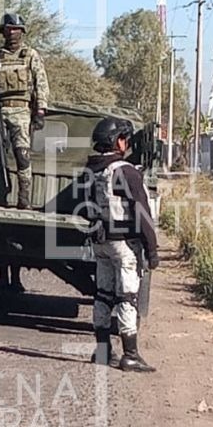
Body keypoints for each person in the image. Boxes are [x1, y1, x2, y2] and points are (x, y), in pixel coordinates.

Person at [84, 117, 159, 372]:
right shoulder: (125, 171)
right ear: (118, 141)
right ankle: (130, 354)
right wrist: (152, 249)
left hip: (100, 242)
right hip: (123, 244)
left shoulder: (92, 170)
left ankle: (103, 350)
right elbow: (142, 212)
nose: (127, 143)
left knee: (103, 294)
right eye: (125, 138)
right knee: (128, 297)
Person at [0, 13, 49, 210]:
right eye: (9, 29)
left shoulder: (31, 55)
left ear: (22, 31)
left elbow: (41, 84)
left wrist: (40, 111)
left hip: (22, 111)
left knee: (22, 155)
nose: (13, 33)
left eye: (16, 29)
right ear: (3, 31)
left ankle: (24, 198)